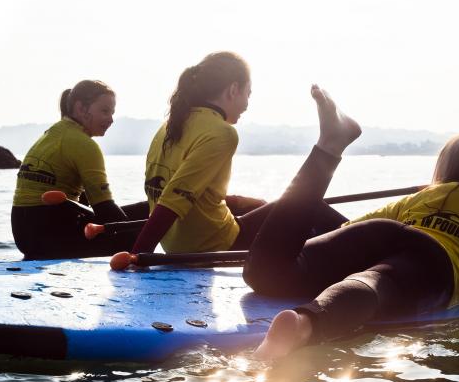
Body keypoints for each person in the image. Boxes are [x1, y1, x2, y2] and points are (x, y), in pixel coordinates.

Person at [242, 85, 459, 360]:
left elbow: (353, 228)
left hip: (384, 232)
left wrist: (328, 254)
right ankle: (305, 326)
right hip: (437, 259)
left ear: (445, 167)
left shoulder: (426, 195)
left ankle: (329, 147)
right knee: (375, 282)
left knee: (265, 274)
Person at [130, 52, 345, 256]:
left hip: (178, 245)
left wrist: (244, 201)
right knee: (311, 206)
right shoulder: (221, 132)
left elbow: (183, 191)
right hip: (220, 243)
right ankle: (368, 241)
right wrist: (136, 255)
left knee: (283, 206)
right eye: (248, 94)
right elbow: (173, 199)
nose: (247, 105)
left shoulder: (170, 125)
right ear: (233, 90)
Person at [11, 80, 148, 260]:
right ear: (81, 108)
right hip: (48, 238)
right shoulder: (83, 144)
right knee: (144, 218)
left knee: (145, 212)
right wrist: (139, 239)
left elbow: (88, 204)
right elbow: (104, 208)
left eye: (112, 113)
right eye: (105, 111)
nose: (111, 119)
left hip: (25, 235)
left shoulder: (53, 134)